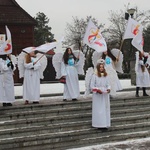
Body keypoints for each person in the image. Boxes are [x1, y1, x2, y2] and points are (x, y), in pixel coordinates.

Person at [90, 60, 111, 130]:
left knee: (105, 109)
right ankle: (99, 124)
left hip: (104, 95)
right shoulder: (94, 75)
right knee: (99, 109)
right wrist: (97, 90)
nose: (101, 68)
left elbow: (108, 84)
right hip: (98, 96)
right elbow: (92, 86)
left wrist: (108, 89)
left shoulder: (106, 75)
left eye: (102, 67)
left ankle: (105, 123)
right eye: (100, 67)